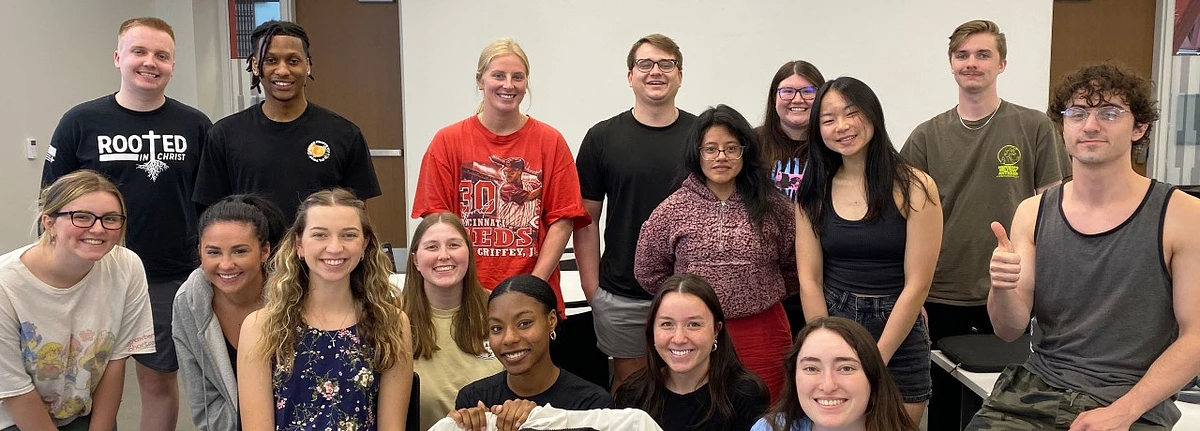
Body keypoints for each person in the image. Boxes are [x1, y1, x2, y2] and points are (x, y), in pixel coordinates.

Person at [968, 64, 1200, 429]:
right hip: (1033, 392)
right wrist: (1001, 285)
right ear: (1063, 129)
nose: (1090, 125)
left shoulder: (1183, 215)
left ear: (1139, 127)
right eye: (1077, 113)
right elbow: (1008, 329)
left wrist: (1123, 412)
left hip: (1130, 401)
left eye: (1109, 112)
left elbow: (1196, 336)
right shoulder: (1033, 212)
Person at [40, 17, 211, 430]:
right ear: (118, 57)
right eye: (139, 51)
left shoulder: (196, 126)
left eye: (162, 55)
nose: (149, 62)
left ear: (172, 65)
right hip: (90, 275)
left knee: (157, 382)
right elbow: (51, 203)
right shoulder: (80, 122)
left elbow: (211, 204)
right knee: (87, 382)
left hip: (167, 276)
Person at [900, 19, 1071, 345]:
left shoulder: (1034, 126)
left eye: (983, 54)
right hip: (939, 293)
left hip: (1013, 290)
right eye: (962, 55)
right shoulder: (926, 136)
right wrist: (911, 294)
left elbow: (1054, 212)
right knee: (943, 395)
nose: (971, 63)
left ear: (1001, 63)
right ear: (951, 64)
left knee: (1004, 393)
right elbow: (902, 221)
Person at [794, 77, 942, 423]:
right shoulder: (812, 191)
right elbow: (809, 279)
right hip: (836, 318)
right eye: (828, 120)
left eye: (851, 113)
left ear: (873, 115)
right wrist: (825, 347)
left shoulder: (916, 186)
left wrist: (875, 358)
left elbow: (918, 284)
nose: (841, 126)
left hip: (899, 327)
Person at [412, 38, 589, 316]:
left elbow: (562, 220)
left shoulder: (549, 141)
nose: (509, 85)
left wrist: (530, 287)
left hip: (532, 296)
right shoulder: (447, 141)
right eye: (498, 75)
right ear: (480, 81)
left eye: (517, 77)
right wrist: (465, 286)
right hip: (461, 296)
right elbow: (436, 220)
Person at [635, 104, 797, 402]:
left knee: (767, 411)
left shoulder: (775, 207)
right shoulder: (672, 209)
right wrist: (683, 305)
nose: (720, 157)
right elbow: (648, 270)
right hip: (693, 334)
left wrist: (756, 292)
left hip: (762, 331)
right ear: (697, 154)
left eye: (731, 148)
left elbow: (795, 266)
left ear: (745, 152)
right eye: (710, 149)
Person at [573, 33, 698, 393]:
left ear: (680, 75)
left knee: (691, 386)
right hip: (622, 294)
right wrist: (592, 288)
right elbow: (586, 219)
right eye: (645, 64)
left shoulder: (701, 136)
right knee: (631, 389)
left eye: (666, 64)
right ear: (630, 76)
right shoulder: (602, 137)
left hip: (691, 292)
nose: (655, 72)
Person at [237, 189, 412, 430]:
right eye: (320, 235)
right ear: (299, 244)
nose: (334, 247)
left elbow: (392, 427)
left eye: (348, 235)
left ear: (365, 245)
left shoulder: (391, 323)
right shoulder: (260, 327)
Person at [0, 170, 155, 430]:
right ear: (49, 222)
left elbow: (114, 362)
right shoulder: (6, 285)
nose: (98, 228)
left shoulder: (126, 267)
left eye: (110, 218)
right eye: (81, 217)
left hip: (79, 412)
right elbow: (14, 388)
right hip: (12, 416)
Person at [193, 20, 380, 219]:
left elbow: (358, 214)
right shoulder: (224, 135)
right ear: (255, 66)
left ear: (307, 65)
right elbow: (211, 214)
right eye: (271, 60)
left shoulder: (345, 134)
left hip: (320, 250)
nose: (282, 70)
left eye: (293, 61)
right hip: (254, 249)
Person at [172, 194, 287, 430]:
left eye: (240, 251)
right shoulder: (187, 303)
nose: (225, 264)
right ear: (200, 252)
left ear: (265, 251)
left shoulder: (293, 297)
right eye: (213, 252)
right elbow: (205, 402)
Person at [453, 274, 611, 431]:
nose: (509, 339)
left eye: (524, 323)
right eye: (496, 328)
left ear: (551, 321)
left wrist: (537, 418)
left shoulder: (591, 404)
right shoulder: (473, 399)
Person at [613, 274, 769, 431]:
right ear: (652, 331)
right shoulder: (632, 395)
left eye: (694, 324)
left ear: (716, 330)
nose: (679, 338)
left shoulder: (746, 396)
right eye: (667, 324)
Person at [404, 212, 504, 431]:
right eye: (432, 247)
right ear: (415, 260)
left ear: (469, 252)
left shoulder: (500, 310)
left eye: (454, 245)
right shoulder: (395, 320)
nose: (444, 255)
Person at [757, 60, 827, 338]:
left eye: (808, 91)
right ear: (774, 97)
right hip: (769, 282)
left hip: (825, 279)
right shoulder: (751, 146)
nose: (797, 99)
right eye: (787, 91)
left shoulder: (837, 147)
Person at [751, 317, 918, 431]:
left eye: (846, 368)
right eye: (811, 368)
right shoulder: (769, 428)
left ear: (872, 376)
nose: (828, 385)